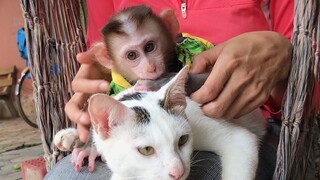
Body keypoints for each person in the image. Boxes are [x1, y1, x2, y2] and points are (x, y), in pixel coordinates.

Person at [45, 0, 294, 179]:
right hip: (143, 120)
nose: (149, 65)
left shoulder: (183, 86)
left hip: (247, 117)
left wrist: (284, 55)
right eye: (132, 55)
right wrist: (95, 134)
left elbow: (308, 75)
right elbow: (103, 70)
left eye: (150, 47)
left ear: (169, 28)